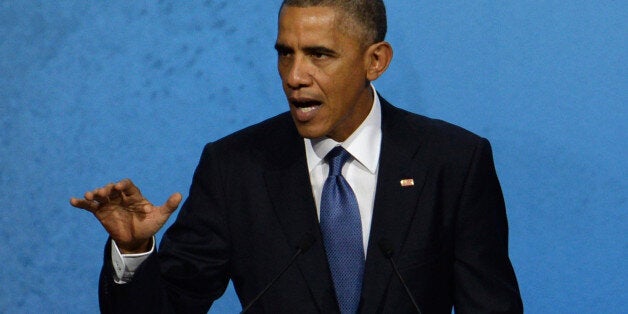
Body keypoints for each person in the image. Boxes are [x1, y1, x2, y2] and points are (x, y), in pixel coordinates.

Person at [71, 0, 523, 313]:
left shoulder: (453, 162)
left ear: (375, 61)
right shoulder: (235, 167)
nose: (295, 76)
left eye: (319, 55)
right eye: (285, 54)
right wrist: (134, 252)